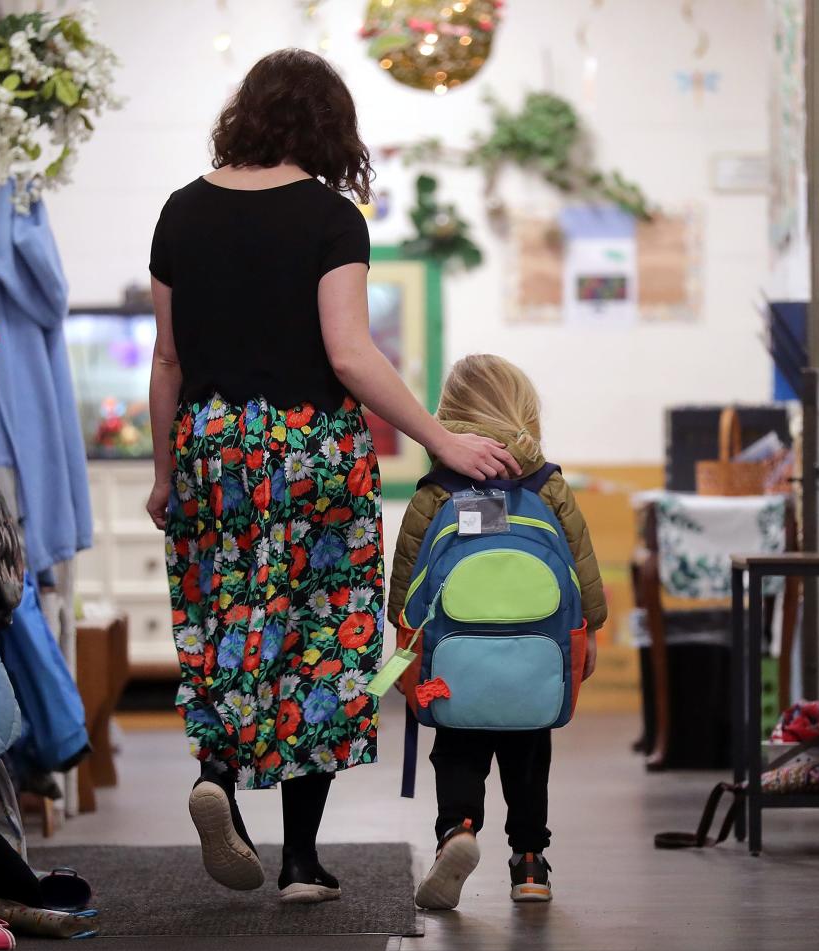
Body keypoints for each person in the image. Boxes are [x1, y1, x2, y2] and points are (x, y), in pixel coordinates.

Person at [145, 49, 520, 904]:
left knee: (224, 615)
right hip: (313, 448)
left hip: (214, 444)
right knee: (321, 635)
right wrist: (442, 441)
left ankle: (216, 774)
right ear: (326, 128)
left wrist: (166, 474)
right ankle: (302, 861)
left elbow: (167, 359)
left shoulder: (180, 212)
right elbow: (349, 354)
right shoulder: (329, 217)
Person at [387, 354, 607, 909]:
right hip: (537, 655)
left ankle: (456, 833)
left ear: (450, 413)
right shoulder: (547, 482)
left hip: (454, 663)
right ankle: (530, 862)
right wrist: (592, 633)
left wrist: (401, 648)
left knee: (457, 746)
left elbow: (408, 575)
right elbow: (581, 566)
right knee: (529, 751)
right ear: (524, 412)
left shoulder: (438, 486)